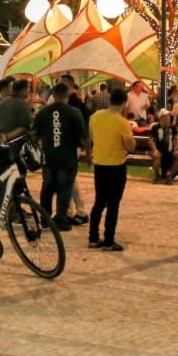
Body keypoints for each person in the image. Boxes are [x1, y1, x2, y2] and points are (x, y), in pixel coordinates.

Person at [33, 83, 87, 230]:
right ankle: (61, 219)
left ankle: (45, 218)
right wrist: (88, 153)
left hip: (49, 156)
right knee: (65, 189)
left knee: (48, 188)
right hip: (67, 157)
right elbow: (83, 136)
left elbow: (34, 134)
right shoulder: (74, 112)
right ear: (67, 95)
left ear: (53, 95)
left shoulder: (44, 112)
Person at [88, 87, 135, 251]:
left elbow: (92, 137)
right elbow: (130, 146)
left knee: (99, 202)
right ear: (124, 103)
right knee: (113, 204)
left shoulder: (95, 117)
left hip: (100, 164)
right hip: (116, 166)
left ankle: (93, 237)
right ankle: (109, 240)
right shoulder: (122, 122)